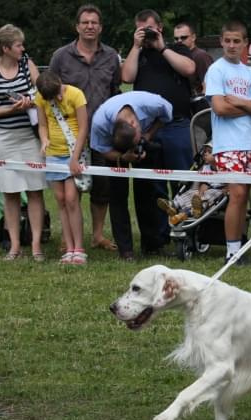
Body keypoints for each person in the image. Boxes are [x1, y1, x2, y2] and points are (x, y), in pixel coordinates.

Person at [49, 4, 121, 253]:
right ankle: (68, 236)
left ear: (100, 28)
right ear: (77, 26)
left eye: (94, 23)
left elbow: (115, 91)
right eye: (85, 22)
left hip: (103, 133)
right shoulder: (61, 56)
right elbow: (51, 92)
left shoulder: (111, 56)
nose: (89, 26)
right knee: (72, 189)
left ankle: (98, 235)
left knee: (102, 188)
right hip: (70, 135)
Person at [122, 9, 195, 249]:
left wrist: (162, 47)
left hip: (177, 125)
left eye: (150, 28)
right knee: (149, 185)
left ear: (160, 28)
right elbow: (127, 76)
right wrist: (136, 46)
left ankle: (188, 236)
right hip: (147, 128)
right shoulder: (138, 54)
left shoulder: (177, 49)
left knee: (183, 182)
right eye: (142, 29)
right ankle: (154, 240)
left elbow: (189, 69)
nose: (147, 34)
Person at [0, 24, 46, 261]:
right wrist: (10, 109)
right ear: (6, 48)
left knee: (35, 191)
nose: (23, 48)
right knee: (10, 193)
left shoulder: (28, 65)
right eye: (18, 45)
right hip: (3, 138)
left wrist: (31, 101)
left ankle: (36, 245)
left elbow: (43, 93)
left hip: (29, 137)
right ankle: (14, 246)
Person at [205, 20, 251, 263]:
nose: (232, 46)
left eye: (237, 41)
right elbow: (220, 108)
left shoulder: (250, 73)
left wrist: (242, 103)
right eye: (228, 41)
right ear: (222, 41)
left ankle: (239, 242)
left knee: (244, 196)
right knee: (237, 193)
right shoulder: (216, 70)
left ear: (245, 43)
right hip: (228, 145)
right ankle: (231, 252)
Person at [90, 91, 173, 260]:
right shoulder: (100, 122)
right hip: (115, 150)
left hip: (146, 138)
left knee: (147, 194)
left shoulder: (152, 104)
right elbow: (100, 148)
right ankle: (125, 251)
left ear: (135, 123)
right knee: (117, 198)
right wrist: (122, 157)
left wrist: (148, 135)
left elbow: (167, 114)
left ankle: (151, 245)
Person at [35, 71, 88, 265]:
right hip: (53, 154)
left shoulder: (76, 94)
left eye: (58, 93)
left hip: (74, 151)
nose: (57, 99)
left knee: (72, 199)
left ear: (60, 83)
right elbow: (42, 124)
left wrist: (74, 158)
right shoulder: (40, 97)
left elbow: (83, 128)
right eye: (51, 98)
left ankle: (79, 248)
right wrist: (44, 139)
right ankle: (69, 247)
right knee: (60, 200)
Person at [173, 21, 213, 96]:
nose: (179, 41)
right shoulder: (174, 57)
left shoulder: (201, 56)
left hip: (195, 103)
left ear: (193, 37)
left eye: (183, 37)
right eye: (176, 38)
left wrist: (200, 105)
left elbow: (209, 86)